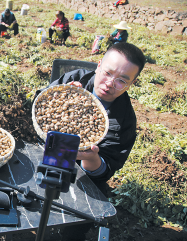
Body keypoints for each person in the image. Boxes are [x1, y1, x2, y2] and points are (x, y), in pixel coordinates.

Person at [36, 42, 146, 240]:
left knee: (77, 224)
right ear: (98, 65)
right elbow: (39, 102)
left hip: (82, 174)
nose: (110, 83)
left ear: (132, 84)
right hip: (45, 148)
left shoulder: (123, 122)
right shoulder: (75, 78)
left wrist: (90, 158)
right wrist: (59, 95)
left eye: (122, 80)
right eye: (107, 73)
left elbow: (106, 169)